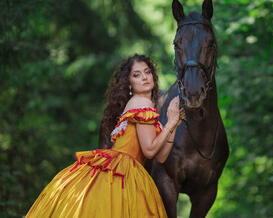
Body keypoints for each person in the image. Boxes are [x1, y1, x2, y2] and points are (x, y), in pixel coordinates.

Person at [26, 54, 184, 217]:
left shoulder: (142, 105)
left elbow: (161, 157)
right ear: (130, 84)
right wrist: (170, 124)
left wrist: (173, 125)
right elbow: (150, 151)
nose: (144, 77)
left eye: (147, 72)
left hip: (126, 169)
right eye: (137, 75)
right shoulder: (143, 103)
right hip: (123, 171)